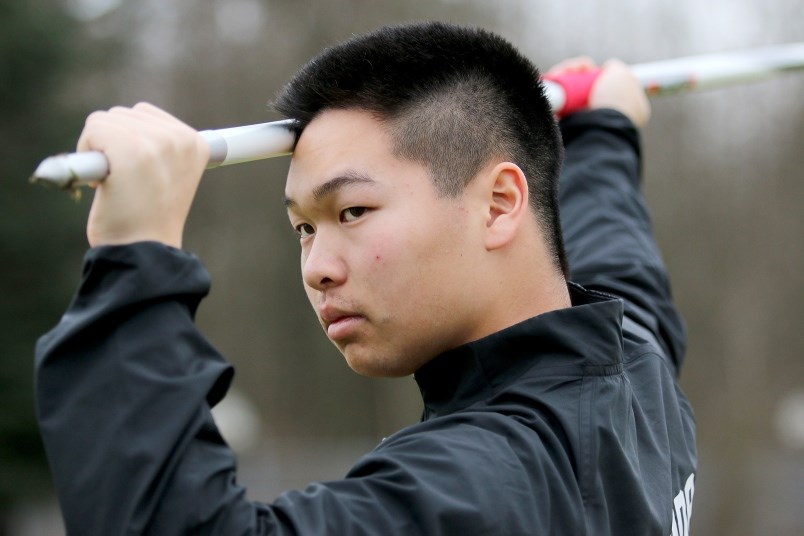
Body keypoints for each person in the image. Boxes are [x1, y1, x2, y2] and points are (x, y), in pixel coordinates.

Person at [35, 21, 697, 535]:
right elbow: (622, 263)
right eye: (305, 228)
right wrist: (605, 130)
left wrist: (135, 256)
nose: (318, 269)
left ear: (499, 204)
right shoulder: (636, 364)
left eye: (353, 211)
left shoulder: (486, 486)